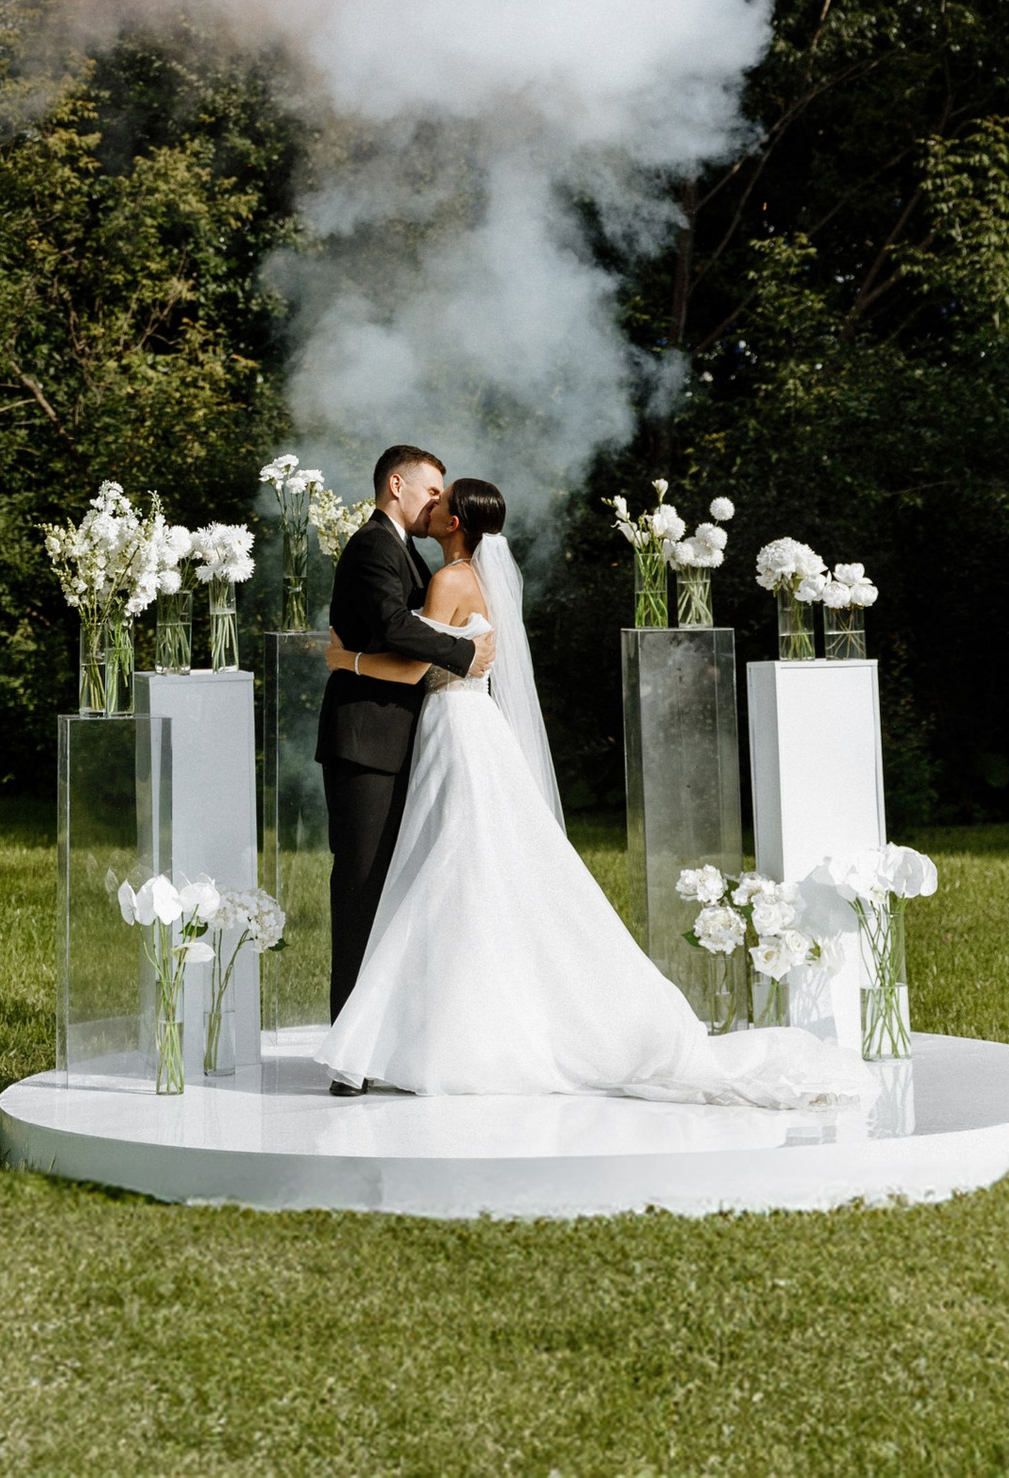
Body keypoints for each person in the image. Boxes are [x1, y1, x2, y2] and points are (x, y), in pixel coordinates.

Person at [324, 474, 862, 1108]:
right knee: (466, 871)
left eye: (442, 500)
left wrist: (343, 661)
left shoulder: (447, 581)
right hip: (471, 728)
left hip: (454, 728)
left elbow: (418, 664)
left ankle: (438, 1036)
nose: (433, 504)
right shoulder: (471, 578)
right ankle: (444, 1029)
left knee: (453, 872)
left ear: (453, 523)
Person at [316, 445, 494, 1026]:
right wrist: (465, 651)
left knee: (397, 893)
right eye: (431, 491)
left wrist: (347, 660)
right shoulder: (372, 545)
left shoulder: (415, 557)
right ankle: (349, 1050)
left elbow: (402, 639)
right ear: (397, 485)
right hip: (365, 744)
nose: (437, 503)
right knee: (361, 889)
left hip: (407, 742)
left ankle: (384, 1035)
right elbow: (395, 627)